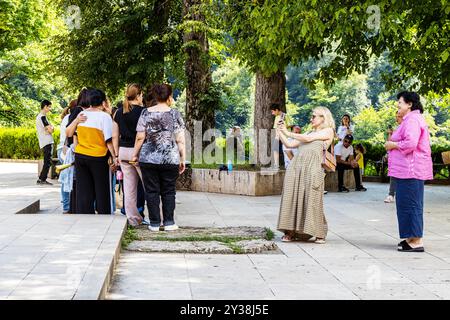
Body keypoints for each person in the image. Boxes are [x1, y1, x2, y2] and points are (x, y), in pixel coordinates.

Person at [276, 107, 335, 244]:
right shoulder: (308, 132)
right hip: (296, 168)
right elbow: (290, 144)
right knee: (292, 199)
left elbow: (307, 138)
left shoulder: (328, 131)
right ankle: (290, 231)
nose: (311, 119)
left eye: (314, 116)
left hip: (313, 169)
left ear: (323, 117)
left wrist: (287, 131)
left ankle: (319, 232)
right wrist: (280, 132)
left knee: (313, 200)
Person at [132, 84, 186, 231]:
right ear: (169, 97)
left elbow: (140, 137)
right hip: (170, 158)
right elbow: (180, 139)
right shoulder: (175, 114)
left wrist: (135, 154)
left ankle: (154, 223)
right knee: (169, 191)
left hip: (148, 158)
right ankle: (169, 222)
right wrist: (182, 159)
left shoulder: (145, 113)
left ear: (155, 97)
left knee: (151, 191)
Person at [385, 91, 433, 252]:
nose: (398, 105)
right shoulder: (410, 119)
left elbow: (411, 143)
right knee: (406, 203)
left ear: (410, 104)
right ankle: (411, 237)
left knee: (411, 204)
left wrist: (393, 145)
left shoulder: (413, 120)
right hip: (406, 170)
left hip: (411, 169)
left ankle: (416, 240)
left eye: (400, 102)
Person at [66, 88, 117, 214]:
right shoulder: (105, 117)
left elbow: (69, 133)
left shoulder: (81, 115)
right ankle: (103, 213)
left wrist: (77, 120)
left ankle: (84, 215)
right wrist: (115, 157)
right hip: (98, 157)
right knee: (101, 189)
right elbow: (108, 140)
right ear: (103, 102)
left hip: (81, 156)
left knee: (84, 190)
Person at [113, 83, 148, 226]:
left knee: (129, 188)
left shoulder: (118, 112)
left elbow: (115, 136)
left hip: (123, 152)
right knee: (149, 186)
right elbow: (144, 135)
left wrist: (115, 155)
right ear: (139, 95)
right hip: (138, 151)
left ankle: (133, 219)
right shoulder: (144, 112)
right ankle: (156, 217)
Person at [57, 99, 77, 212]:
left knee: (66, 177)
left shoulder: (66, 117)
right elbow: (67, 135)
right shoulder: (70, 118)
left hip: (62, 149)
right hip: (66, 150)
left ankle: (67, 205)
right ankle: (66, 206)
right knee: (67, 178)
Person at [384, 111, 404, 203]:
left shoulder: (406, 127)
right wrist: (390, 133)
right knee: (393, 175)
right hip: (394, 157)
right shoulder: (397, 128)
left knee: (400, 177)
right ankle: (391, 194)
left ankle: (397, 195)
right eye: (396, 116)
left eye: (398, 116)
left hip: (403, 157)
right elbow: (389, 143)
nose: (396, 119)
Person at [36, 100, 54, 185]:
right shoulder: (42, 117)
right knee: (48, 161)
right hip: (47, 141)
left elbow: (48, 129)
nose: (50, 109)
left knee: (47, 161)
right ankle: (42, 179)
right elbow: (50, 130)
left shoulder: (40, 116)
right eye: (49, 107)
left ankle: (42, 179)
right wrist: (51, 127)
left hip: (45, 141)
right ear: (45, 106)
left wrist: (49, 129)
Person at [270, 103, 292, 169]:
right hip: (278, 136)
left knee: (286, 150)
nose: (272, 113)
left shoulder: (285, 116)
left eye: (272, 111)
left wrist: (284, 125)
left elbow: (290, 125)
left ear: (276, 110)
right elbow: (276, 128)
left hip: (286, 136)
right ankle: (276, 165)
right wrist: (277, 136)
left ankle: (290, 165)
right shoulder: (276, 117)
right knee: (275, 149)